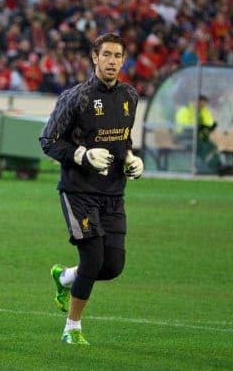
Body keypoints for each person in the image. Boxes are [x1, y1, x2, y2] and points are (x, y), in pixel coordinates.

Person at [39, 33, 143, 345]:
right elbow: (48, 141)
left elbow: (122, 139)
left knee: (112, 266)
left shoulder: (130, 96)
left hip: (113, 192)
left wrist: (130, 158)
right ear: (94, 58)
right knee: (93, 257)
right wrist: (81, 155)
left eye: (117, 56)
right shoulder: (76, 97)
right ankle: (72, 328)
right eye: (106, 55)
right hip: (78, 190)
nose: (112, 61)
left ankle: (66, 277)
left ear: (123, 60)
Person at [175, 95, 222, 173]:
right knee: (201, 146)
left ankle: (218, 165)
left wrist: (208, 128)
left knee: (213, 146)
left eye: (204, 104)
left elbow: (209, 124)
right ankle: (210, 167)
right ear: (195, 102)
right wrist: (201, 127)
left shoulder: (204, 111)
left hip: (200, 138)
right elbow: (185, 127)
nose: (202, 106)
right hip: (184, 137)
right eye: (201, 104)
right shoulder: (185, 110)